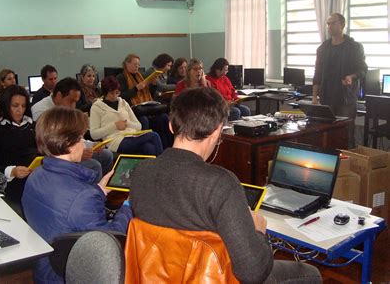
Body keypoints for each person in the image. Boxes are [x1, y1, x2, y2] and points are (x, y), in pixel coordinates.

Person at [129, 88, 322, 283]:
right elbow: (254, 273)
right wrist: (258, 232)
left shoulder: (140, 171)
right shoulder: (220, 184)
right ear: (218, 130)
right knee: (310, 273)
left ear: (171, 126)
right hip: (212, 275)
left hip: (159, 274)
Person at [22, 106, 132, 284]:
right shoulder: (82, 197)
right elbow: (110, 240)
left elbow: (65, 213)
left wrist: (99, 191)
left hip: (45, 269)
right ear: (68, 144)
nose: (84, 144)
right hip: (71, 274)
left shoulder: (35, 176)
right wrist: (128, 206)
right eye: (81, 139)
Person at [32, 77, 114, 179]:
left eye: (75, 102)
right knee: (94, 165)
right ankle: (94, 191)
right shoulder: (41, 112)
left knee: (107, 155)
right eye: (71, 101)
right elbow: (49, 147)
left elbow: (73, 136)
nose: (73, 106)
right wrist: (76, 155)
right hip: (56, 158)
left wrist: (92, 145)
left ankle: (104, 186)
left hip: (70, 149)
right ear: (58, 96)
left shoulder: (64, 110)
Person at [312, 13, 367, 148]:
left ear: (342, 25)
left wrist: (351, 77)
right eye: (328, 23)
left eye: (333, 23)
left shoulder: (354, 47)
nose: (329, 26)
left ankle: (346, 166)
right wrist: (314, 97)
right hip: (326, 99)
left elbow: (362, 70)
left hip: (345, 100)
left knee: (346, 135)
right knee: (327, 135)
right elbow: (317, 74)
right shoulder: (323, 48)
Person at [0, 85, 37, 212]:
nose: (20, 110)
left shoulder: (34, 126)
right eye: (15, 106)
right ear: (6, 106)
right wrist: (12, 171)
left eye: (23, 106)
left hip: (36, 179)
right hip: (11, 182)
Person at [90, 76, 163, 156]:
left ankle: (152, 168)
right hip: (115, 141)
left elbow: (138, 126)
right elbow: (94, 134)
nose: (114, 96)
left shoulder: (123, 103)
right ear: (105, 93)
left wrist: (127, 123)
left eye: (117, 92)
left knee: (149, 148)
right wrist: (114, 126)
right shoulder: (97, 107)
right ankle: (164, 166)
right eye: (111, 93)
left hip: (132, 136)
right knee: (153, 135)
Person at [117, 54, 172, 148]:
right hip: (132, 110)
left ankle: (167, 147)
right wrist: (136, 88)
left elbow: (149, 93)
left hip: (145, 107)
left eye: (138, 65)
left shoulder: (140, 75)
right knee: (144, 120)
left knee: (164, 117)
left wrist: (153, 85)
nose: (137, 67)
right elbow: (121, 97)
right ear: (127, 64)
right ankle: (145, 146)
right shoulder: (121, 77)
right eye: (134, 64)